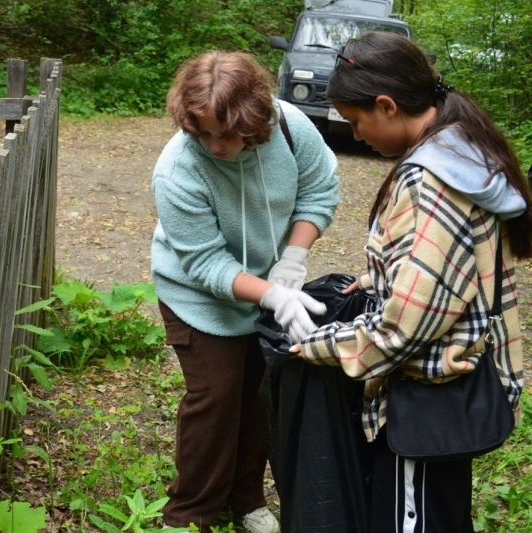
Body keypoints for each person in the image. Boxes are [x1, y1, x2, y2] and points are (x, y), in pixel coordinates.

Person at [292, 32, 532, 532]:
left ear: (386, 105)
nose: (357, 136)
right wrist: (375, 277)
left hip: (425, 398)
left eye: (357, 122)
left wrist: (317, 345)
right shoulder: (462, 149)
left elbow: (404, 329)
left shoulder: (433, 182)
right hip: (446, 388)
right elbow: (450, 266)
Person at [151, 50, 340, 532]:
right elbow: (204, 262)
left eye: (229, 133)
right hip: (197, 297)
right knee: (216, 398)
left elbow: (319, 190)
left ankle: (247, 499)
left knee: (256, 394)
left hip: (269, 277)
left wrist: (292, 260)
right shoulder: (177, 169)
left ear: (256, 117)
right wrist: (272, 294)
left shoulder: (292, 128)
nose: (216, 146)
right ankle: (189, 515)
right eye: (204, 132)